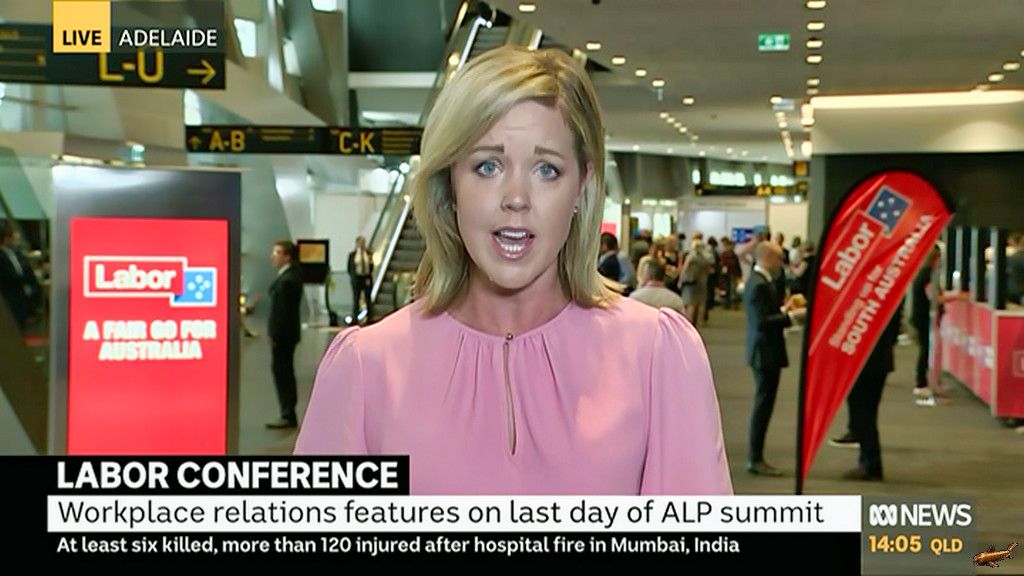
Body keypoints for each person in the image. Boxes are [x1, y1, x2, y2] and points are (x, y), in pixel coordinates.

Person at [296, 46, 732, 495]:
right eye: (488, 166)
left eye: (547, 170)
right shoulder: (366, 367)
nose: (517, 198)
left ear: (582, 186)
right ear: (450, 182)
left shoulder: (657, 355)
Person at [743, 241, 805, 476]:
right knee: (763, 406)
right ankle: (755, 458)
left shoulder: (759, 281)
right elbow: (762, 322)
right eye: (779, 258)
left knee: (764, 404)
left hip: (763, 351)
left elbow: (764, 314)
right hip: (765, 352)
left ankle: (756, 456)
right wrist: (792, 317)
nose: (782, 263)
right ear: (767, 257)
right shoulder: (759, 284)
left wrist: (783, 311)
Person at [831, 304, 903, 481]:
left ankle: (870, 465)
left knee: (862, 412)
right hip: (881, 359)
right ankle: (870, 462)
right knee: (869, 411)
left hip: (862, 360)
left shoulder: (862, 302)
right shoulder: (887, 298)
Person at [267, 240, 303, 429]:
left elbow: (283, 313)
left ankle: (288, 413)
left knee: (283, 372)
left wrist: (275, 334)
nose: (273, 257)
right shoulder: (290, 277)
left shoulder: (288, 281)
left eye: (277, 252)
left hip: (283, 335)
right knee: (284, 371)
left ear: (287, 256)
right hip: (287, 334)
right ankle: (287, 411)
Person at [0, 222, 40, 332]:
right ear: (6, 239)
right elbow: (7, 275)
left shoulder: (17, 253)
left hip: (22, 294)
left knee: (22, 323)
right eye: (13, 238)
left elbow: (26, 269)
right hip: (9, 294)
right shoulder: (1, 256)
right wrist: (22, 279)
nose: (15, 241)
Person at [679, 236, 711, 326]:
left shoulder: (691, 257)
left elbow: (685, 269)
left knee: (690, 302)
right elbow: (708, 269)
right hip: (703, 281)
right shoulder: (705, 258)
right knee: (701, 302)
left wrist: (680, 280)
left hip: (691, 281)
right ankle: (701, 321)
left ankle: (690, 321)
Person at [347, 236, 374, 321]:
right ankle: (355, 318)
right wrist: (353, 277)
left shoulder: (368, 254)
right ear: (357, 243)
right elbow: (349, 268)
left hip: (366, 278)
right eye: (360, 242)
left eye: (363, 242)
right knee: (356, 298)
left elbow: (371, 266)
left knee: (368, 298)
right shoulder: (352, 255)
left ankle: (370, 317)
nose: (362, 244)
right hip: (357, 279)